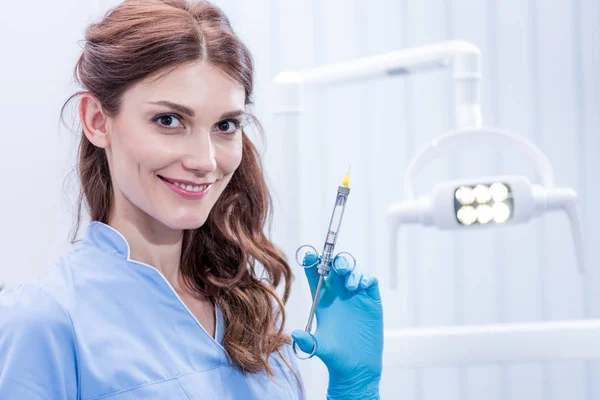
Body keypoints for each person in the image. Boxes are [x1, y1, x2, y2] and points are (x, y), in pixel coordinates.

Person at [0, 1, 383, 399]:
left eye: (225, 125)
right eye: (169, 120)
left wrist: (353, 390)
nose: (205, 161)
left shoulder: (250, 314)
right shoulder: (44, 323)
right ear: (97, 120)